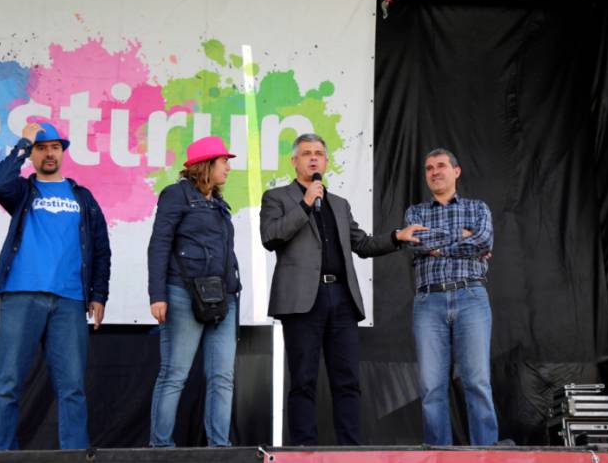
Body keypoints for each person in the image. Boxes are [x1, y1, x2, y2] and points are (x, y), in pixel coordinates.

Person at [259, 133, 424, 445]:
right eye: (306, 153)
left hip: (341, 298)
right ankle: (304, 449)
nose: (313, 158)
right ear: (294, 161)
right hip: (301, 302)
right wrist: (306, 204)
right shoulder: (277, 198)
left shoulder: (338, 204)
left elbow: (362, 244)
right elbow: (271, 236)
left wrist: (396, 237)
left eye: (319, 153)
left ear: (326, 161)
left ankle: (351, 449)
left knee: (347, 380)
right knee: (303, 380)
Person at [0, 122, 111, 450]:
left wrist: (99, 294)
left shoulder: (82, 197)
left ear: (63, 152)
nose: (49, 153)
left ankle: (74, 454)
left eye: (55, 147)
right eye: (41, 148)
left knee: (72, 388)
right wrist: (23, 143)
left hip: (70, 300)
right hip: (20, 294)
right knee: (8, 385)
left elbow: (101, 247)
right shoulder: (23, 192)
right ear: (33, 154)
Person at [147, 136, 241, 447]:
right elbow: (159, 244)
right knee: (175, 374)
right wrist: (157, 295)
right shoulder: (176, 195)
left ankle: (219, 448)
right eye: (224, 161)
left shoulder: (218, 203)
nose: (228, 167)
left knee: (222, 377)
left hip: (223, 297)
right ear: (206, 164)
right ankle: (160, 448)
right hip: (182, 292)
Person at [403, 148, 498, 445]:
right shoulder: (415, 212)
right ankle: (438, 454)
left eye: (441, 166)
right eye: (429, 168)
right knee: (431, 387)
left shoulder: (477, 208)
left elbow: (484, 241)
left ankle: (485, 454)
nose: (434, 172)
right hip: (428, 302)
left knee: (477, 382)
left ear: (456, 171)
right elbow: (417, 243)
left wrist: (439, 246)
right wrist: (463, 236)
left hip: (471, 296)